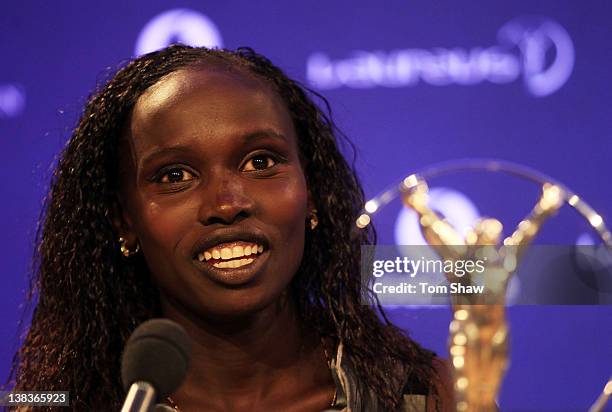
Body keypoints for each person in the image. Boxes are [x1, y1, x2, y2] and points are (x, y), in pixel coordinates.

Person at [8, 45, 451, 411]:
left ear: (311, 192)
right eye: (175, 176)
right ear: (125, 221)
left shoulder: (424, 394)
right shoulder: (54, 403)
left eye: (261, 162)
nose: (227, 204)